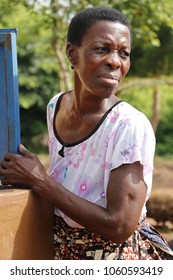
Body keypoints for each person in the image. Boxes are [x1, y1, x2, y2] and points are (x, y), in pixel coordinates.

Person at [0, 6, 173, 260]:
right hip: (63, 251)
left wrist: (40, 181)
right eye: (102, 49)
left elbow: (118, 226)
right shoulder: (55, 106)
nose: (115, 61)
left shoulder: (128, 125)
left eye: (124, 53)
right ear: (72, 53)